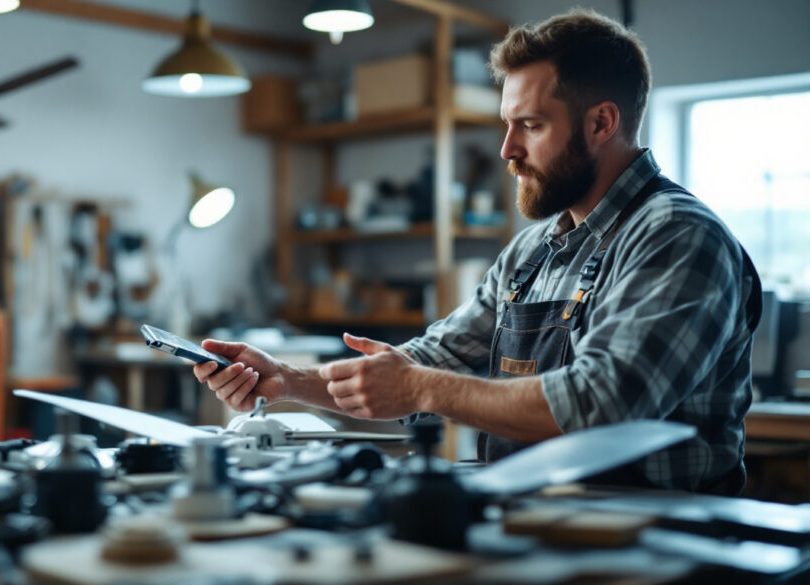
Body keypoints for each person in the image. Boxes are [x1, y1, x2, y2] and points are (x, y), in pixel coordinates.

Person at [192, 9, 761, 494]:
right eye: (507, 125)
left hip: (664, 546)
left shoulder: (679, 236)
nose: (507, 150)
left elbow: (602, 405)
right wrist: (287, 381)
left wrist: (417, 387)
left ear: (601, 123)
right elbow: (426, 364)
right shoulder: (533, 252)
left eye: (530, 125)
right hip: (532, 530)